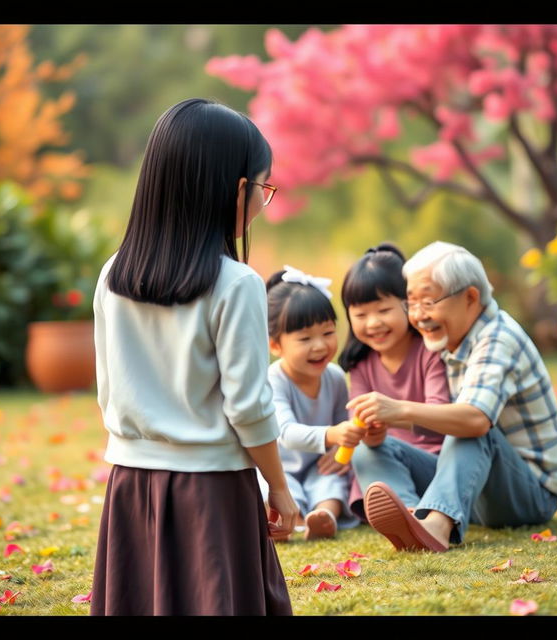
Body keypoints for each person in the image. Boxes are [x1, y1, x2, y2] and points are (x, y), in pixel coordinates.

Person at [90, 98, 299, 615]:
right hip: (212, 491)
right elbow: (248, 408)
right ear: (234, 189)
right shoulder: (236, 284)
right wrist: (279, 486)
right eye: (262, 189)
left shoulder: (113, 275)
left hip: (130, 488)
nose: (261, 203)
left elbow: (107, 389)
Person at [347, 241, 557, 552]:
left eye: (428, 302)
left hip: (531, 495)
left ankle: (436, 526)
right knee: (369, 450)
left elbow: (475, 421)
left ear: (470, 297)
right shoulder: (450, 340)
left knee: (471, 423)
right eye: (411, 303)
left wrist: (399, 409)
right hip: (476, 487)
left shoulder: (497, 338)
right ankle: (415, 518)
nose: (418, 316)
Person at [337, 244, 449, 522]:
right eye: (361, 315)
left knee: (373, 454)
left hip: (434, 467)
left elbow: (440, 412)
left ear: (408, 305)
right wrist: (368, 431)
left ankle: (412, 514)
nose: (373, 323)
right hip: (386, 467)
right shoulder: (361, 364)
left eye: (383, 310)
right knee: (367, 451)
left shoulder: (429, 352)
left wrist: (393, 415)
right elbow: (358, 416)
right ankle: (406, 512)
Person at [257, 266, 363, 541]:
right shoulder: (273, 379)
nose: (320, 346)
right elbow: (286, 433)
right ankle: (291, 520)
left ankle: (323, 517)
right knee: (266, 485)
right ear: (275, 345)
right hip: (279, 469)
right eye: (305, 338)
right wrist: (332, 434)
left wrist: (343, 446)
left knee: (333, 481)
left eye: (328, 333)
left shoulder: (336, 378)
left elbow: (344, 422)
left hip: (319, 466)